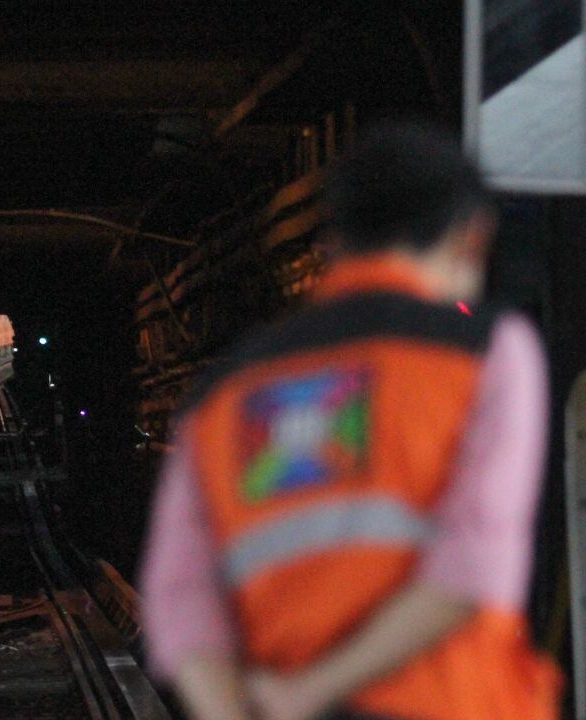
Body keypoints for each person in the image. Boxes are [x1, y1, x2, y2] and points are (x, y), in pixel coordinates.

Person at [139, 121, 562, 720]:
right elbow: (476, 570)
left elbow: (179, 602)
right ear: (472, 236)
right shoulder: (488, 354)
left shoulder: (223, 393)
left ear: (330, 244)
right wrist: (310, 692)